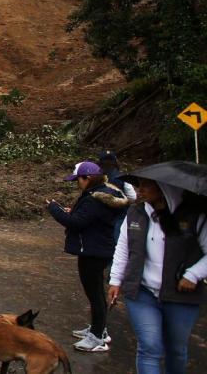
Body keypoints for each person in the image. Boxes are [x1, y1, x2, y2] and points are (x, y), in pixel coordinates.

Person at [108, 178, 207, 374]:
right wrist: (115, 280)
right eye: (139, 185)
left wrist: (193, 275)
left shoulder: (195, 217)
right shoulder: (136, 212)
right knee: (149, 347)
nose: (140, 190)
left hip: (180, 294)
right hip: (142, 291)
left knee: (176, 350)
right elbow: (123, 247)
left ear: (165, 189)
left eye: (146, 185)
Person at [47, 161, 127, 352]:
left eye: (79, 180)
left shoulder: (93, 199)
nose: (77, 183)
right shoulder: (103, 194)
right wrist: (72, 211)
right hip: (97, 248)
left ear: (88, 178)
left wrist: (54, 209)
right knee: (96, 293)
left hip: (94, 250)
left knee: (95, 294)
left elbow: (76, 223)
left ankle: (97, 337)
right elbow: (86, 218)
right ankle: (99, 329)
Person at [97, 150, 137, 242]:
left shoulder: (96, 177)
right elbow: (133, 197)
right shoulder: (123, 177)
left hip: (100, 215)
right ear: (115, 161)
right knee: (118, 241)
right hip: (119, 215)